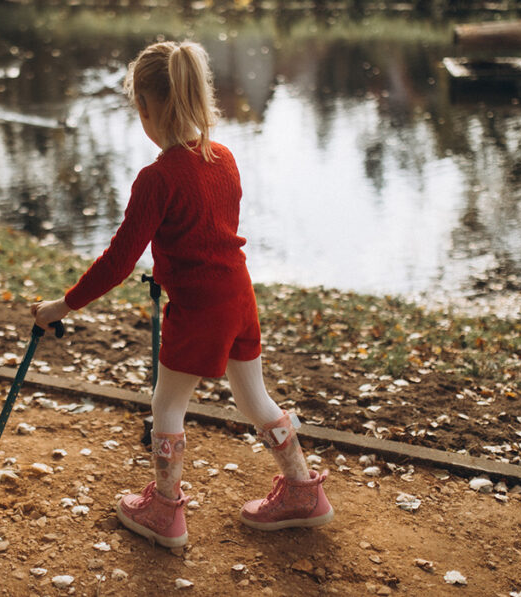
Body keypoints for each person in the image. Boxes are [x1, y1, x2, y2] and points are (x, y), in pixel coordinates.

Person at [30, 40, 333, 548]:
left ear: (148, 109)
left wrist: (63, 305)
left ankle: (166, 511)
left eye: (137, 108)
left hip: (198, 311)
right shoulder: (225, 158)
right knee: (255, 398)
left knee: (166, 407)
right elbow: (210, 233)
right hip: (239, 297)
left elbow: (118, 260)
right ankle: (304, 490)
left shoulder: (157, 178)